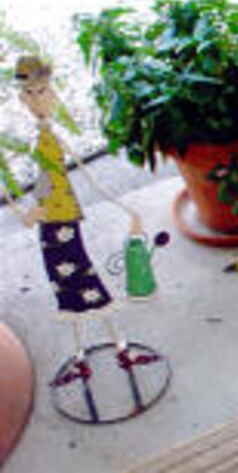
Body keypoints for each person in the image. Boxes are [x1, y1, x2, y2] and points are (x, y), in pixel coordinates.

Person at [3, 55, 157, 387]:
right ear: (21, 98)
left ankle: (117, 346)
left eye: (42, 91)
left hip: (61, 220)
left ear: (53, 93)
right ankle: (84, 355)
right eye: (29, 93)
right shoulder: (39, 140)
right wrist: (28, 210)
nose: (37, 100)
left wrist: (123, 207)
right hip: (51, 221)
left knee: (80, 279)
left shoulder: (50, 138)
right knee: (66, 285)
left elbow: (79, 174)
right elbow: (42, 179)